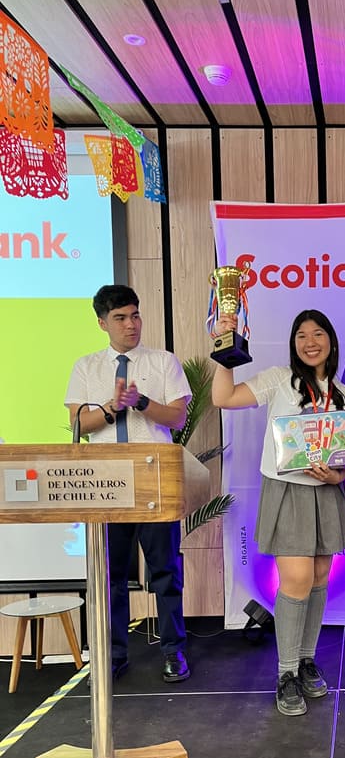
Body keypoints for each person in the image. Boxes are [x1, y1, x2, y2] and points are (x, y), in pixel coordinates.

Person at [212, 309, 345, 717]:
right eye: (301, 335)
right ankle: (286, 673)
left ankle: (307, 660)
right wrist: (224, 349)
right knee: (295, 580)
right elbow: (224, 398)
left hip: (328, 493)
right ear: (293, 344)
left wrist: (337, 475)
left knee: (320, 578)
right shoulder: (279, 380)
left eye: (318, 334)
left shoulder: (344, 394)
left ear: (331, 340)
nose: (310, 342)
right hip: (288, 491)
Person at [65, 285, 192, 682]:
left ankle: (173, 652)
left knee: (165, 572)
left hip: (155, 479)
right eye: (120, 318)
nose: (131, 324)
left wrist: (140, 403)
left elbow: (177, 418)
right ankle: (113, 653)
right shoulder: (86, 367)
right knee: (112, 577)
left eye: (135, 315)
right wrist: (111, 407)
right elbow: (78, 424)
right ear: (102, 323)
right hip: (106, 483)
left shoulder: (163, 361)